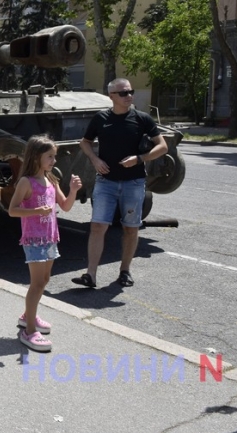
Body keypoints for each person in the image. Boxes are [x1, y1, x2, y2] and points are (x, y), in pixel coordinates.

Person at [72, 78, 168, 289]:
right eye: (123, 93)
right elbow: (84, 142)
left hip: (133, 182)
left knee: (130, 229)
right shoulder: (101, 118)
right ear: (112, 96)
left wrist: (140, 158)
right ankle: (91, 275)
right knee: (98, 226)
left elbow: (162, 146)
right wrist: (95, 160)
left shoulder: (142, 118)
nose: (129, 96)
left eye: (130, 91)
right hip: (105, 182)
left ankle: (125, 271)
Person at [8, 134, 82, 353]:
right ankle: (29, 331)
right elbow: (12, 210)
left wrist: (74, 190)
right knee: (37, 284)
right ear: (36, 157)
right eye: (49, 156)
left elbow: (66, 206)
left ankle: (27, 316)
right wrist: (34, 211)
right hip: (34, 239)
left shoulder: (51, 180)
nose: (53, 161)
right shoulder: (26, 182)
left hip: (50, 237)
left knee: (45, 279)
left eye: (54, 156)